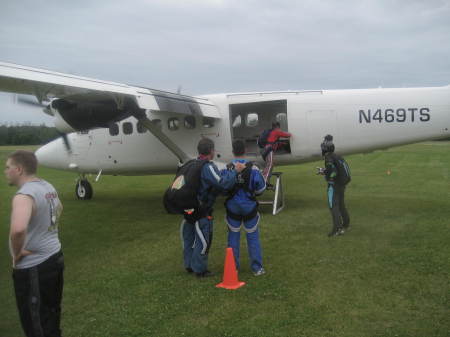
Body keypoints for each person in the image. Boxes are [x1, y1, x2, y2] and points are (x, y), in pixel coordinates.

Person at [5, 150, 64, 337]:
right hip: (55, 258)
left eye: (8, 167)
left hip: (34, 268)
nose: (5, 171)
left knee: (35, 323)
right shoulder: (47, 186)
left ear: (19, 169)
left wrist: (17, 253)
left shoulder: (24, 195)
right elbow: (60, 208)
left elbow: (18, 230)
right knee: (51, 314)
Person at [181, 138, 244, 277]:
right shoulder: (207, 166)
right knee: (204, 239)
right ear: (211, 151)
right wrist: (235, 172)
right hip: (201, 210)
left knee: (189, 238)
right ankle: (200, 269)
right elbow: (222, 183)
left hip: (189, 207)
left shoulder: (192, 164)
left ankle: (189, 265)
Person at [224, 140, 266, 275]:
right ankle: (257, 268)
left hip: (232, 207)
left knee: (233, 237)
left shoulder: (228, 168)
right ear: (246, 150)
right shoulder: (253, 169)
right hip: (249, 207)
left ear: (232, 151)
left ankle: (233, 268)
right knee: (252, 236)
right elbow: (261, 188)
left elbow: (223, 186)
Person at [318, 135, 351, 237]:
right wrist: (324, 171)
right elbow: (334, 169)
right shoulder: (337, 156)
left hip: (334, 186)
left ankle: (337, 229)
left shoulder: (328, 158)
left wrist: (330, 179)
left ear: (325, 149)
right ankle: (346, 224)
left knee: (333, 206)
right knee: (341, 205)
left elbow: (333, 171)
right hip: (342, 185)